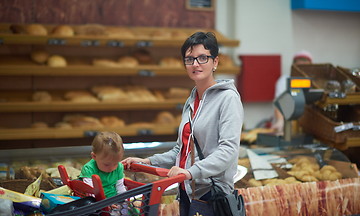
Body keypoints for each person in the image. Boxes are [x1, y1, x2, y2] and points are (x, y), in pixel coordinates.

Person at [122, 32, 244, 215]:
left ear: (215, 62)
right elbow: (181, 152)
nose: (195, 64)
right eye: (189, 59)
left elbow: (228, 151)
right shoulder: (191, 100)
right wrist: (147, 161)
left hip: (212, 195)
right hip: (187, 192)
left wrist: (190, 172)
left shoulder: (228, 99)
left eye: (203, 58)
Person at [271, 50, 313, 134]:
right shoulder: (284, 81)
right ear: (293, 66)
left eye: (305, 66)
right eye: (299, 66)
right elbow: (279, 103)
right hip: (286, 127)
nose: (302, 70)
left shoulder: (313, 81)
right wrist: (280, 121)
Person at [79, 131, 126, 198]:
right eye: (106, 164)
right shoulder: (89, 169)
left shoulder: (119, 167)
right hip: (98, 202)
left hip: (115, 199)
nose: (112, 168)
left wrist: (125, 201)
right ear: (94, 156)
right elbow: (91, 193)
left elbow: (120, 187)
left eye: (115, 163)